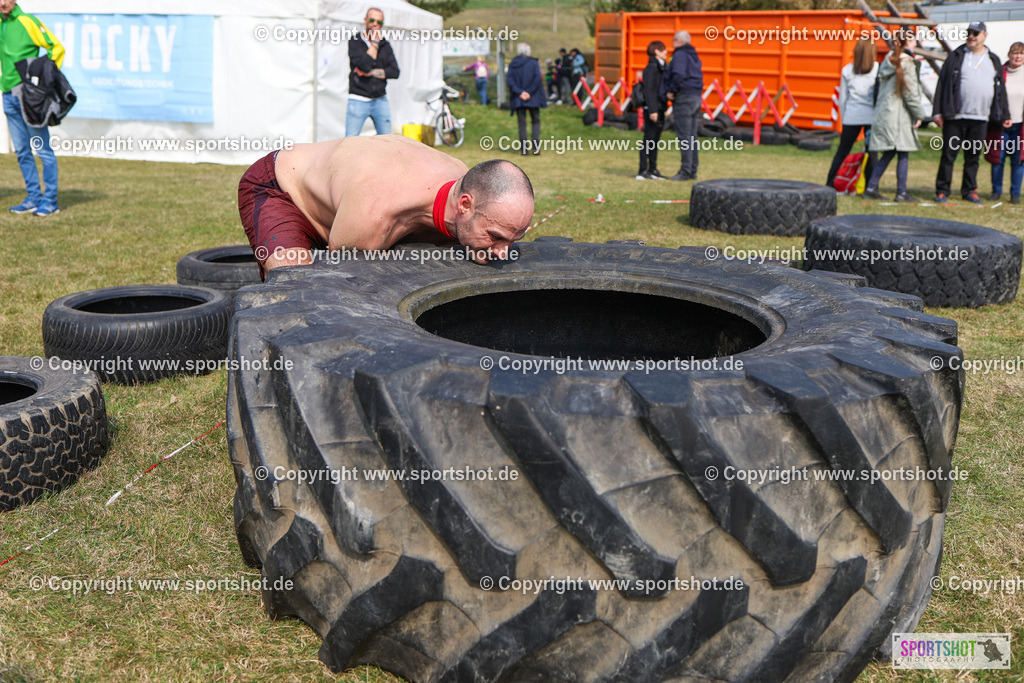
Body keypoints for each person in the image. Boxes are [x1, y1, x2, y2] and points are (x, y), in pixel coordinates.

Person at [238, 136, 534, 277]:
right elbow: (336, 288)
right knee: (296, 281)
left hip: (347, 196)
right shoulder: (374, 216)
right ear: (464, 205)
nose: (502, 252)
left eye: (512, 239)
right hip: (282, 188)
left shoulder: (463, 179)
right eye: (495, 236)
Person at [932, 20, 1011, 203]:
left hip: (981, 118)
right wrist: (937, 112)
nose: (971, 36)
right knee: (948, 156)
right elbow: (942, 84)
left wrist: (1004, 114)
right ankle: (942, 190)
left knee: (973, 157)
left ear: (985, 35)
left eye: (975, 33)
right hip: (955, 116)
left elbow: (1001, 90)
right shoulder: (957, 55)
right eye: (969, 33)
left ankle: (969, 190)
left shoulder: (993, 59)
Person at [1, 0, 63, 216]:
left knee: (42, 149)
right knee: (22, 151)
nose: (2, 3)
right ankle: (33, 197)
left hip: (29, 97)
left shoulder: (28, 22)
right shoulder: (1, 23)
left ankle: (50, 200)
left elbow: (56, 47)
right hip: (7, 94)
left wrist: (44, 81)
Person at [862, 29, 928, 202]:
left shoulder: (888, 61)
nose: (916, 44)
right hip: (898, 116)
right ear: (906, 43)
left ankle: (871, 187)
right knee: (903, 152)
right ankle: (901, 192)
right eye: (913, 40)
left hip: (885, 114)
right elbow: (910, 93)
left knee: (889, 153)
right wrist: (919, 115)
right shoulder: (906, 63)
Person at [826, 38, 879, 189]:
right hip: (871, 116)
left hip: (851, 116)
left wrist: (844, 118)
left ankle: (830, 182)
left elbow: (843, 98)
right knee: (872, 153)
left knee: (842, 152)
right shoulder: (878, 69)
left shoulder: (847, 70)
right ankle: (871, 186)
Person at [346, 8, 400, 137]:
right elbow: (364, 66)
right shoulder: (355, 41)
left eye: (379, 22)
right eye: (372, 20)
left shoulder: (385, 45)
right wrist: (375, 43)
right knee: (350, 141)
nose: (375, 24)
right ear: (365, 21)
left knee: (387, 140)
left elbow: (395, 72)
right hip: (358, 99)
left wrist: (370, 73)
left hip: (380, 99)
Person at [659, 31, 704, 181]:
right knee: (692, 136)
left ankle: (685, 171)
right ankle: (692, 170)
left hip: (684, 97)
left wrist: (671, 90)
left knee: (684, 136)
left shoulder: (679, 55)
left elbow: (678, 73)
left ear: (678, 41)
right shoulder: (694, 55)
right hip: (696, 96)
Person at [986, 42, 1023, 203]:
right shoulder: (999, 72)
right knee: (997, 159)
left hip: (1020, 126)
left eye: (1021, 53)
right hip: (1001, 124)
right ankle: (996, 191)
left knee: (1018, 160)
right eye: (1015, 53)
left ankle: (1015, 193)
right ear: (1009, 55)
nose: (1018, 56)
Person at [506, 43, 546, 156]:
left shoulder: (513, 63)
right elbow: (537, 79)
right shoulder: (533, 63)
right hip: (533, 97)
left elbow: (510, 80)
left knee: (521, 123)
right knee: (536, 121)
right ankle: (536, 148)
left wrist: (520, 92)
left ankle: (524, 150)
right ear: (528, 51)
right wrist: (529, 92)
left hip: (519, 98)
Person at [637, 40, 668, 180]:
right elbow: (649, 91)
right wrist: (652, 110)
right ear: (656, 52)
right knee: (648, 139)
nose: (666, 52)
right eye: (663, 50)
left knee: (655, 140)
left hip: (660, 107)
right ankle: (642, 169)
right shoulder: (651, 68)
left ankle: (653, 169)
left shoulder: (662, 67)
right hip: (652, 108)